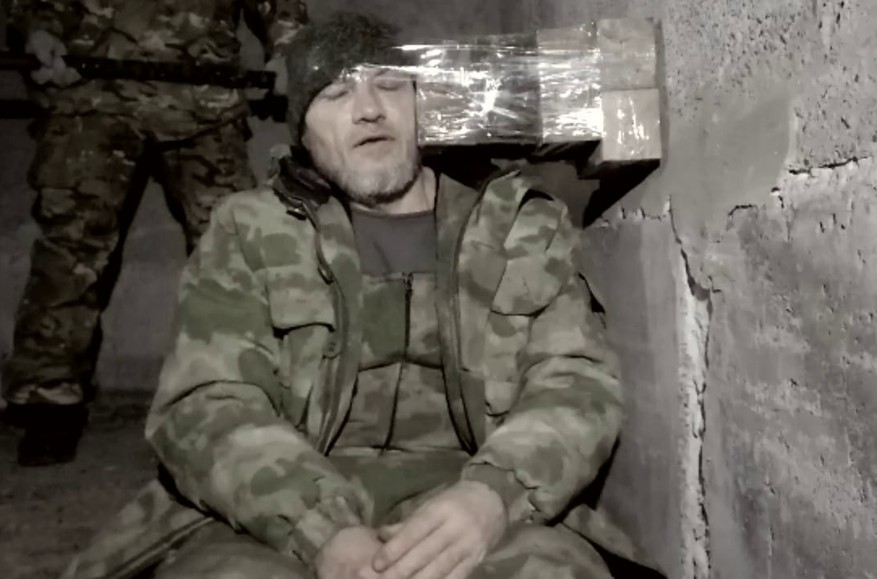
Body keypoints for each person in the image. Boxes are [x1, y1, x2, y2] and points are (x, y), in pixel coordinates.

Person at [61, 12, 665, 579]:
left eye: (390, 85)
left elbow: (576, 383)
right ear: (303, 134)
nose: (369, 110)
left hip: (473, 497)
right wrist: (321, 529)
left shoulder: (518, 223)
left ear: (421, 108)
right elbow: (206, 402)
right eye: (335, 94)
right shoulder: (249, 229)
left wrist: (494, 497)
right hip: (284, 504)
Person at [1, 0, 307, 466]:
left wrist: (289, 51)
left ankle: (246, 389)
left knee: (235, 248)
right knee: (70, 250)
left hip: (203, 95)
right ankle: (48, 399)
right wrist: (37, 31)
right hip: (91, 93)